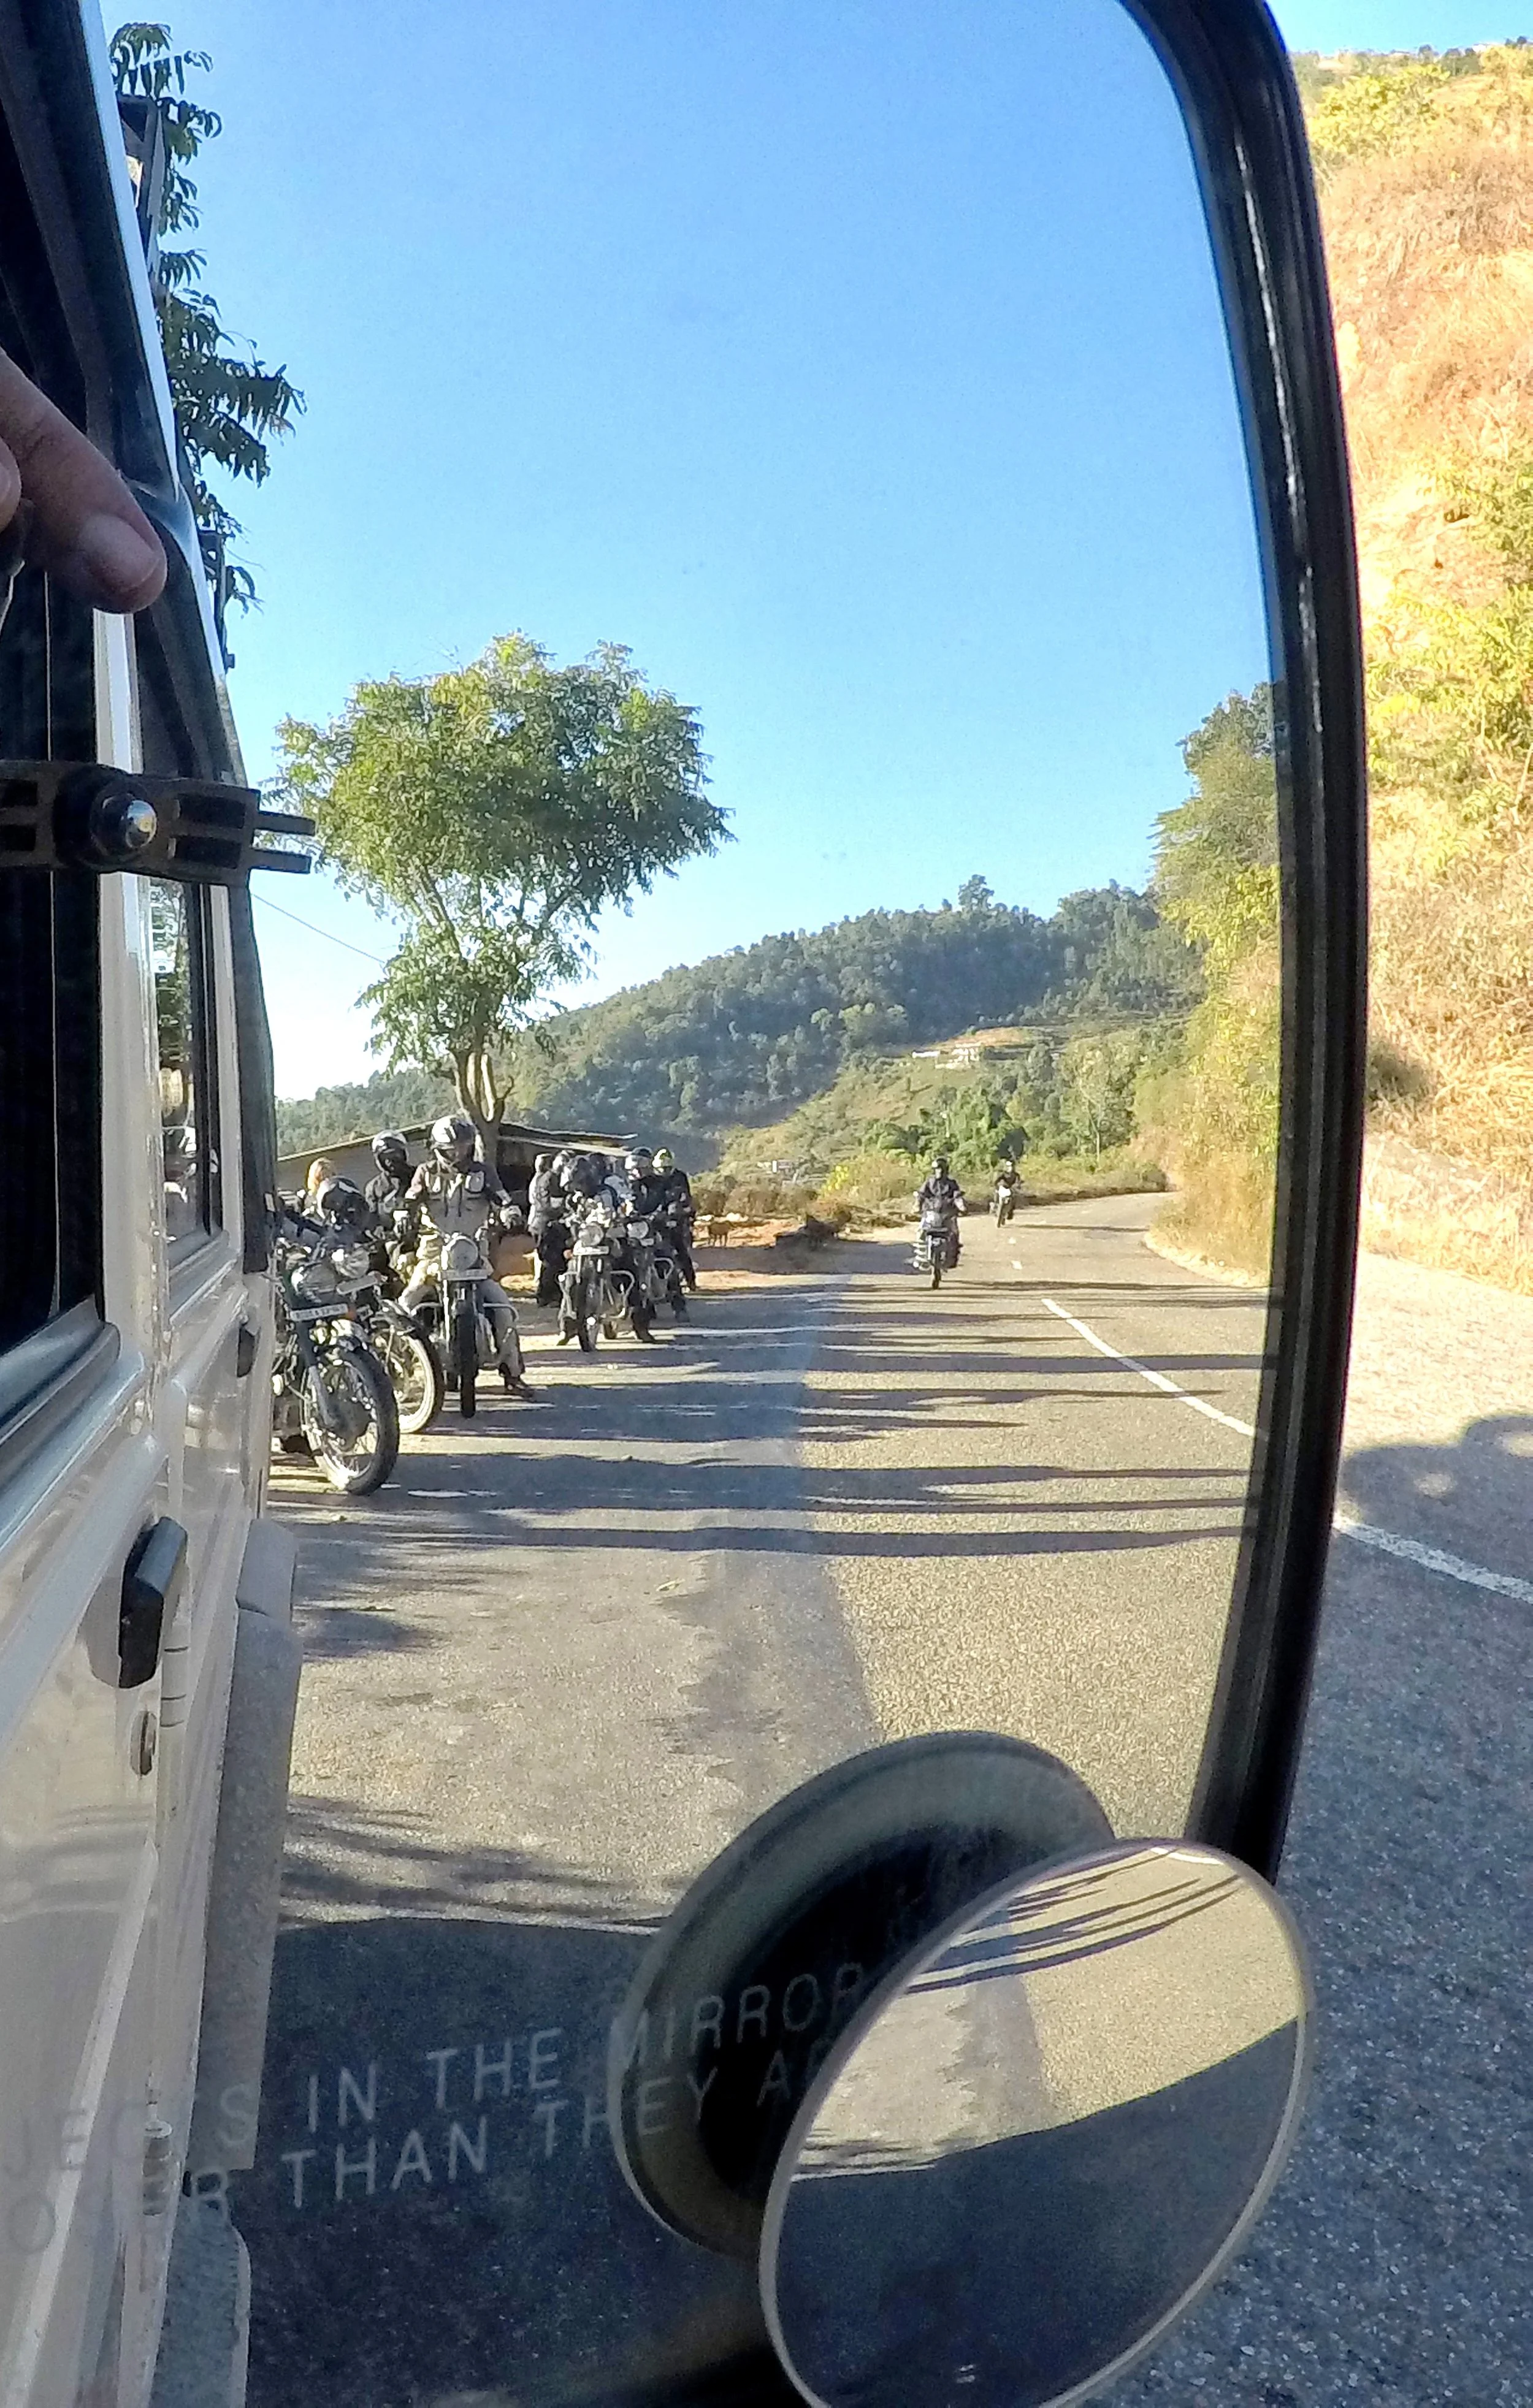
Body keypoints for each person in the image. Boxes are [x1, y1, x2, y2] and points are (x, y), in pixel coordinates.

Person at [401, 1114, 533, 1395]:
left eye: (463, 1146)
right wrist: (404, 1212)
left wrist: (510, 1210)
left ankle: (513, 1374)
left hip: (473, 1253)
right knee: (407, 1304)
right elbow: (412, 1197)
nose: (458, 1153)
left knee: (502, 1309)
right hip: (434, 1255)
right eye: (452, 1149)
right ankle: (399, 1375)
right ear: (437, 1148)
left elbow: (501, 1197)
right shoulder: (426, 1172)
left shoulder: (484, 1172)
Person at [653, 1147, 697, 1291]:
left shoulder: (680, 1177)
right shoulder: (652, 1179)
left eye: (667, 1168)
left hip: (676, 1217)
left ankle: (691, 1281)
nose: (664, 1171)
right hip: (656, 1218)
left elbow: (686, 1196)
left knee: (680, 1248)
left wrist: (684, 1210)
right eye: (662, 1168)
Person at [365, 1131, 415, 1227]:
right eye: (385, 1157)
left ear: (403, 1154)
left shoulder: (421, 1175)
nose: (390, 1161)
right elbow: (372, 1223)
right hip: (391, 1239)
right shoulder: (374, 1188)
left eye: (394, 1155)